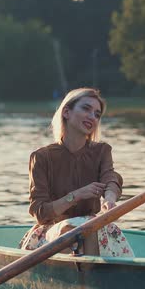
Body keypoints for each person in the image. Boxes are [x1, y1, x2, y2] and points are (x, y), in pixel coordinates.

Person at [19, 88, 134, 257]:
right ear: (66, 112)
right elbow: (40, 213)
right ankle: (79, 278)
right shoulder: (41, 157)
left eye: (97, 114)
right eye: (86, 109)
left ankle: (90, 278)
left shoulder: (102, 151)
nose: (92, 117)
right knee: (71, 230)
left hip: (93, 227)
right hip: (53, 231)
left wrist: (109, 199)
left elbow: (110, 178)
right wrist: (77, 195)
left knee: (89, 227)